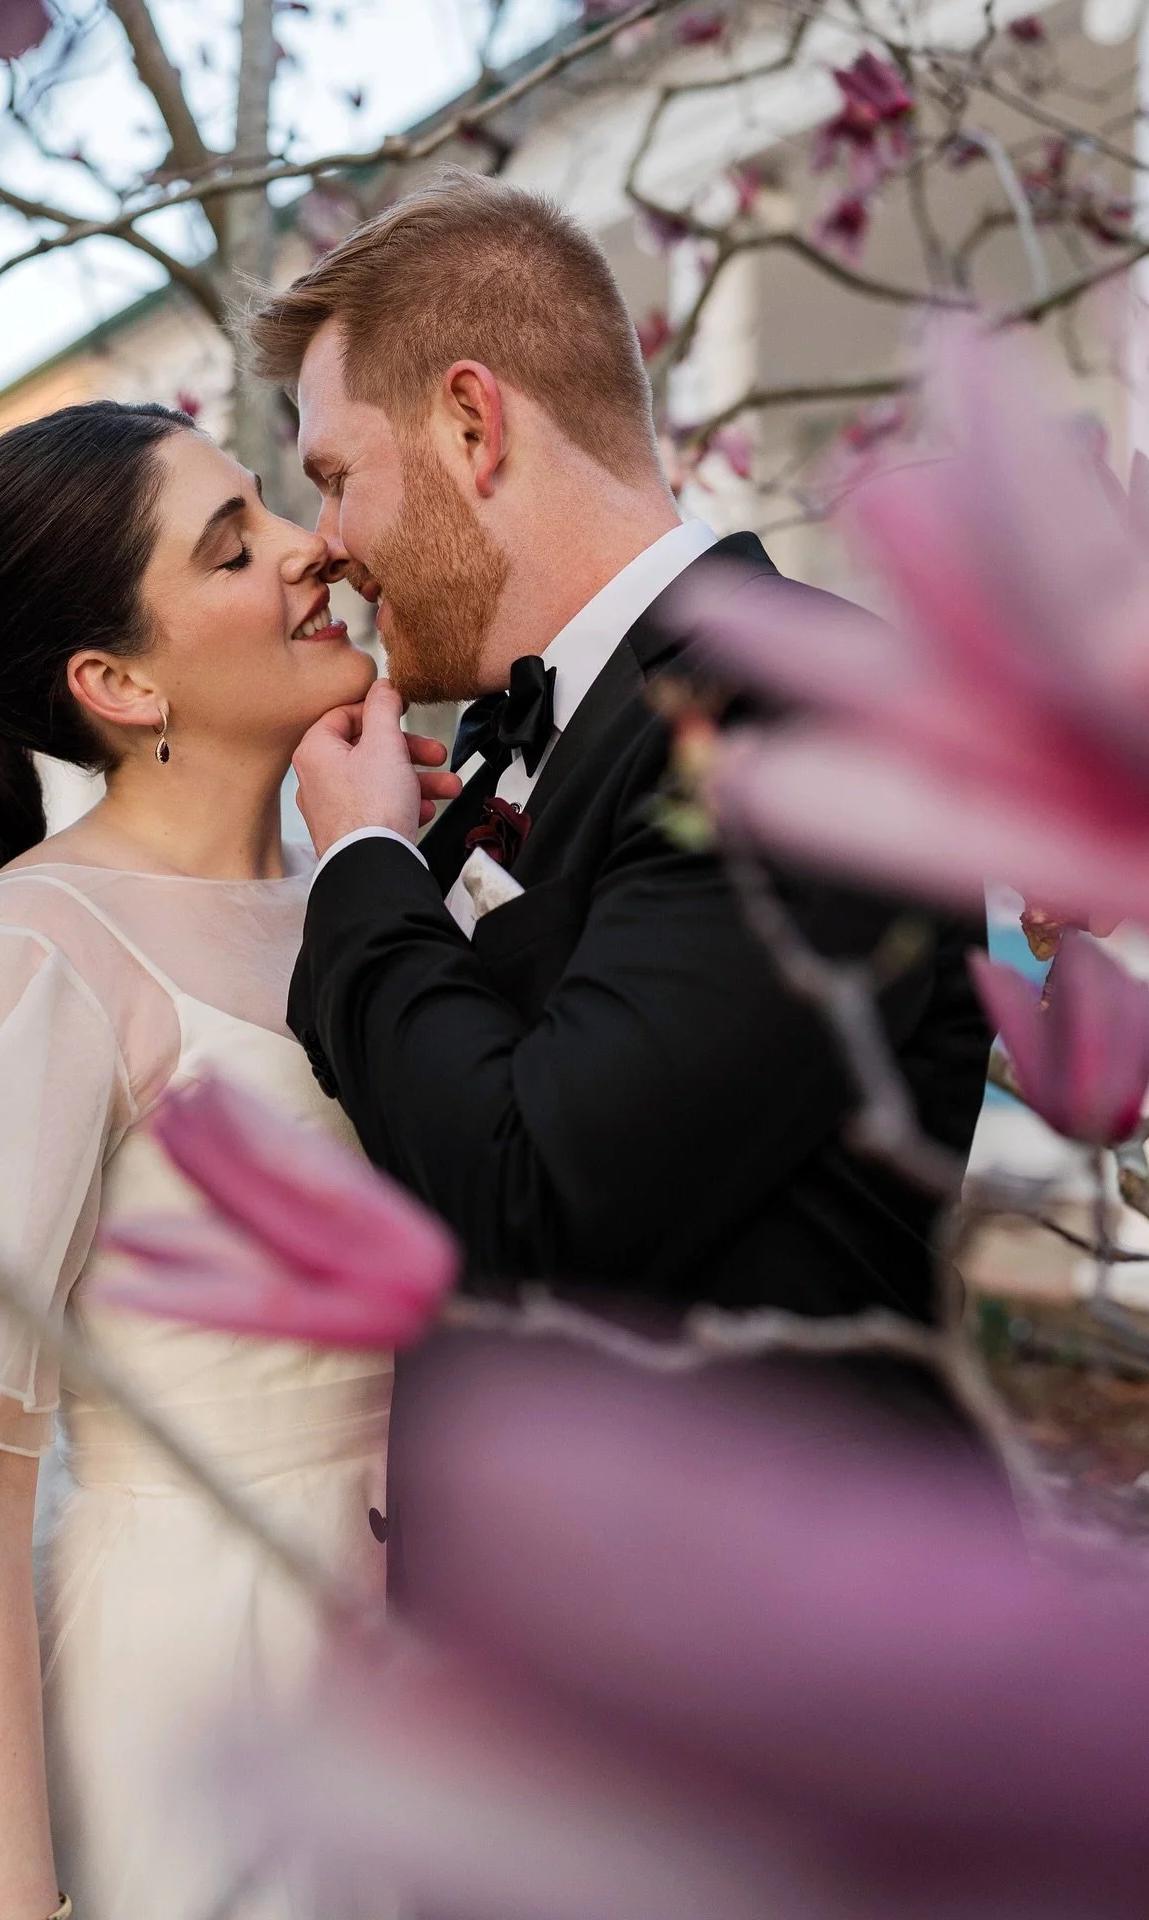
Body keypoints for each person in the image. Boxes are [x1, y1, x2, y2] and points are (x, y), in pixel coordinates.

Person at [0, 401, 453, 1920]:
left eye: (274, 509)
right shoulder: (36, 953)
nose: (315, 551)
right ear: (116, 681)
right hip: (190, 1697)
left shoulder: (374, 894)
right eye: (238, 546)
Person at [247, 172, 994, 1600]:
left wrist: (360, 865)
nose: (326, 541)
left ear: (473, 425)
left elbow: (540, 1199)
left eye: (335, 472)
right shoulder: (561, 733)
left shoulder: (793, 712)